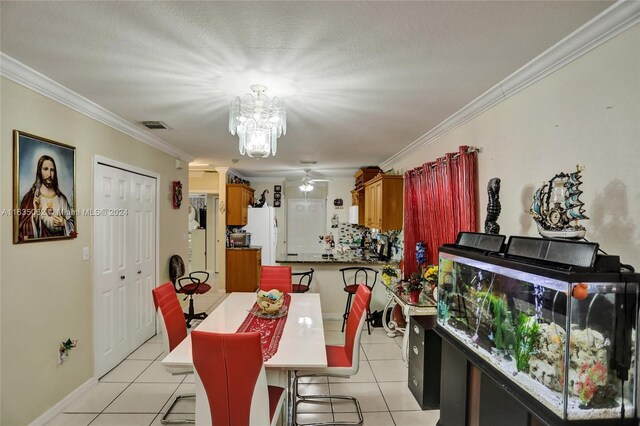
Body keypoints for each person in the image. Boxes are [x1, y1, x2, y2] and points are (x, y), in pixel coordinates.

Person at [18, 154, 74, 240]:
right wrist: (35, 214)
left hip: (61, 244)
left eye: (52, 170)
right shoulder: (30, 197)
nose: (49, 174)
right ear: (39, 171)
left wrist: (64, 223)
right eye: (45, 169)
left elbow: (72, 224)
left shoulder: (62, 198)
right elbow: (22, 229)